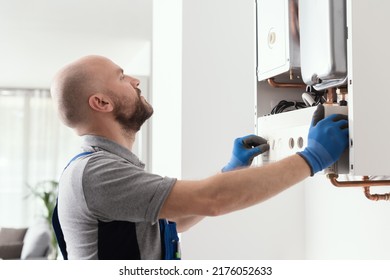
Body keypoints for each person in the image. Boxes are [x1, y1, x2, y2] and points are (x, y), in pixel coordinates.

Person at [50, 55, 349, 260]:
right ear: (101, 102)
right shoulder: (95, 173)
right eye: (121, 77)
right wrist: (311, 158)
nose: (135, 80)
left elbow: (171, 221)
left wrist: (230, 171)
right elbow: (212, 200)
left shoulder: (102, 166)